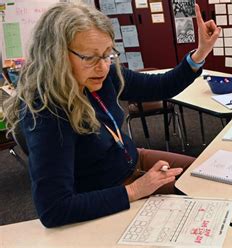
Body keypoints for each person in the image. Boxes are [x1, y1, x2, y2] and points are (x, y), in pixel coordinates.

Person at [3, 2, 220, 228]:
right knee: (202, 200)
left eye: (108, 54)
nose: (103, 67)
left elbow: (161, 86)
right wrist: (135, 190)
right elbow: (53, 209)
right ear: (55, 55)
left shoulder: (104, 74)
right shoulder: (46, 112)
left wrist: (200, 52)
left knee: (205, 177)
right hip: (109, 189)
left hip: (131, 160)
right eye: (90, 57)